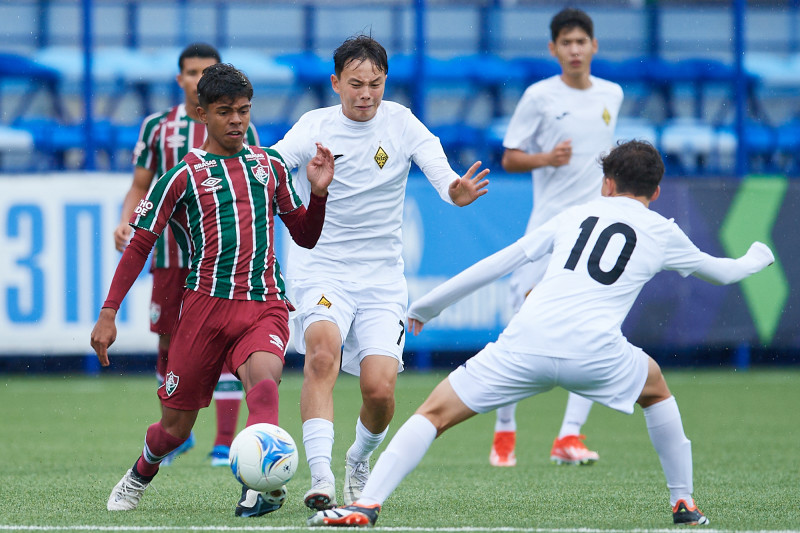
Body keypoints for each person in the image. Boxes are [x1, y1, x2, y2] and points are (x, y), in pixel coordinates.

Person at [308, 140, 775, 527]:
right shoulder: (663, 231)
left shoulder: (575, 214)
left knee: (432, 414)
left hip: (527, 342)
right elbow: (725, 272)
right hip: (596, 353)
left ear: (606, 184)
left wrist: (430, 304)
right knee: (655, 390)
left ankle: (367, 503)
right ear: (655, 190)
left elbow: (504, 261)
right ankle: (683, 502)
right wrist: (758, 256)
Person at [91, 63, 334, 517]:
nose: (237, 121)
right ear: (202, 113)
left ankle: (259, 489)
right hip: (204, 309)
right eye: (225, 112)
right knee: (174, 429)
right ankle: (141, 471)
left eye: (244, 110)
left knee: (264, 385)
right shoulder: (181, 176)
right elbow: (140, 243)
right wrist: (109, 312)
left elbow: (304, 235)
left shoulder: (270, 166)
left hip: (263, 304)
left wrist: (318, 195)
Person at [271, 34, 490, 511]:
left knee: (379, 389)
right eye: (356, 84)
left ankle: (358, 459)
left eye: (375, 84)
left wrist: (456, 192)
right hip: (322, 269)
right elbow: (270, 166)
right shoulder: (314, 126)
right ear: (335, 83)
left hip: (381, 280)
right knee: (322, 356)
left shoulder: (402, 124)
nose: (366, 94)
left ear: (385, 81)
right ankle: (322, 477)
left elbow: (444, 177)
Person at [113, 43, 261, 467]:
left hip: (223, 260)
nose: (199, 79)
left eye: (206, 71)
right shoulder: (158, 127)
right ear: (180, 79)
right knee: (167, 338)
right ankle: (175, 430)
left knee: (229, 339)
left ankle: (223, 442)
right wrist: (126, 221)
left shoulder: (242, 127)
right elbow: (140, 185)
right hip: (171, 253)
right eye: (192, 72)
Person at [491, 7, 623, 468]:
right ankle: (504, 428)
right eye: (566, 43)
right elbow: (509, 157)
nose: (574, 50)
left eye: (581, 42)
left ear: (594, 46)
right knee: (519, 326)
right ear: (553, 49)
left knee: (598, 326)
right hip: (547, 228)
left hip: (592, 231)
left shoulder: (612, 94)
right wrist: (546, 158)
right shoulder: (539, 96)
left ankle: (568, 435)